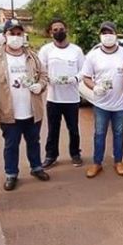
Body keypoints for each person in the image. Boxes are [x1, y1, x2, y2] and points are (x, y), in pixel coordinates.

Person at [0, 19, 50, 191]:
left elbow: (43, 75)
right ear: (5, 36)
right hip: (8, 112)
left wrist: (40, 85)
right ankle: (11, 174)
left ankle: (36, 167)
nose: (16, 37)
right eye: (12, 34)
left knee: (34, 141)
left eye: (19, 34)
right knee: (11, 144)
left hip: (32, 110)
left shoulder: (32, 56)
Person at [82, 21, 123, 178]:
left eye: (110, 32)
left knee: (119, 133)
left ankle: (118, 161)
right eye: (104, 33)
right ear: (100, 36)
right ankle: (97, 163)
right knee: (99, 134)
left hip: (120, 104)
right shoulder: (93, 55)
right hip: (101, 104)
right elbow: (86, 77)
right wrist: (94, 87)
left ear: (116, 34)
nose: (107, 36)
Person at [38, 19, 85, 169]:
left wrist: (75, 78)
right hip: (54, 98)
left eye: (61, 29)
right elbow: (40, 70)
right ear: (50, 32)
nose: (59, 31)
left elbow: (84, 71)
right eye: (55, 29)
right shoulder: (46, 50)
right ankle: (51, 155)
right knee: (53, 129)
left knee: (73, 129)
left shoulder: (76, 50)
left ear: (66, 30)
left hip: (72, 98)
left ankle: (75, 154)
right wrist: (48, 79)